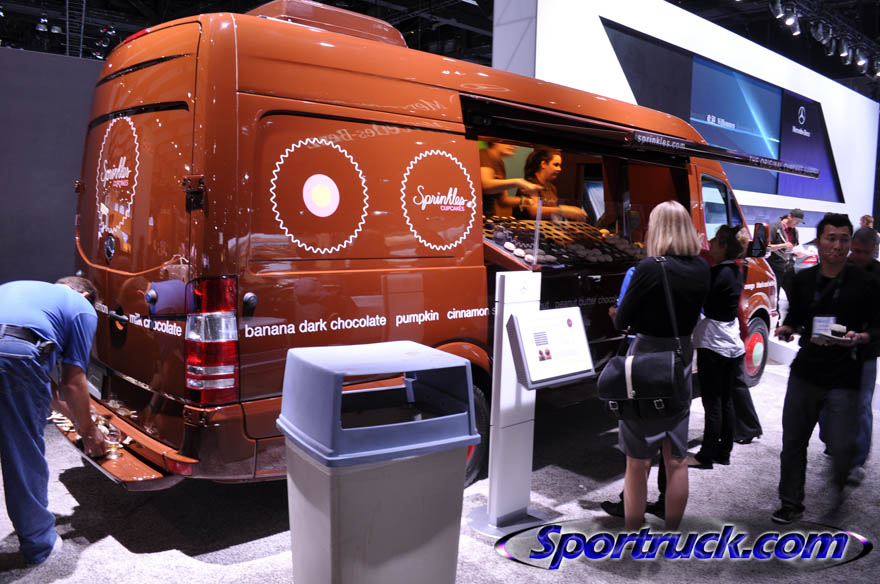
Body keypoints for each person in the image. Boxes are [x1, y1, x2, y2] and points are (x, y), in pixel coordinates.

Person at [772, 214, 880, 524]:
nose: (837, 245)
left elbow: (877, 325)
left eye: (844, 239)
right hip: (807, 370)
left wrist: (864, 336)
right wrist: (789, 328)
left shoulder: (866, 283)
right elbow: (797, 318)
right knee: (793, 441)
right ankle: (790, 503)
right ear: (819, 241)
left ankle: (840, 486)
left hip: (845, 372)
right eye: (831, 238)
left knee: (841, 444)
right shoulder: (803, 280)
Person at [613, 200, 710, 530]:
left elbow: (623, 321)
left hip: (646, 362)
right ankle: (671, 533)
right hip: (681, 359)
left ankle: (632, 533)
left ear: (658, 229)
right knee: (677, 459)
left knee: (637, 461)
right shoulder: (702, 268)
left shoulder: (650, 268)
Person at [0, 277, 107, 565]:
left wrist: (76, 418)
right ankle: (39, 544)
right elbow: (72, 382)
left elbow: (44, 386)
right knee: (23, 454)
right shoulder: (82, 308)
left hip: (15, 353)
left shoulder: (26, 291)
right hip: (15, 356)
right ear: (86, 295)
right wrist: (90, 431)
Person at [601, 264, 666, 520]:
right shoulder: (696, 269)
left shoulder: (640, 271)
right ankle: (667, 502)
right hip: (677, 357)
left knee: (638, 435)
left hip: (643, 353)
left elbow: (622, 319)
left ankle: (631, 505)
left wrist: (615, 313)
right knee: (670, 437)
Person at [687, 225, 749, 469]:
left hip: (713, 343)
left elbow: (697, 298)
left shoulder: (716, 274)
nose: (710, 243)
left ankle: (705, 456)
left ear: (724, 246)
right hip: (731, 341)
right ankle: (724, 452)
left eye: (714, 240)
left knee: (712, 402)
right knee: (726, 400)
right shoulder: (736, 272)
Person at [514, 149, 587, 221]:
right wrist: (562, 210)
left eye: (559, 165)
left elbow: (552, 215)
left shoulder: (552, 188)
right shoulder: (529, 184)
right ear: (543, 164)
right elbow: (534, 212)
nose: (559, 169)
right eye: (556, 165)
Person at [479, 142, 541, 217]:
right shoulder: (484, 154)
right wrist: (517, 182)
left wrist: (525, 201)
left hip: (489, 216)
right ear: (495, 141)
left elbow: (503, 201)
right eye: (507, 142)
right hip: (477, 215)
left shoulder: (500, 163)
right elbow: (485, 185)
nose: (514, 146)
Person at [767, 208, 805, 302]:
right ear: (790, 216)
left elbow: (794, 247)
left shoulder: (795, 231)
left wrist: (798, 253)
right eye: (796, 221)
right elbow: (767, 247)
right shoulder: (774, 227)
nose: (797, 224)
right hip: (775, 269)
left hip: (789, 268)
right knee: (774, 299)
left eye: (799, 222)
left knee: (796, 297)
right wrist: (783, 245)